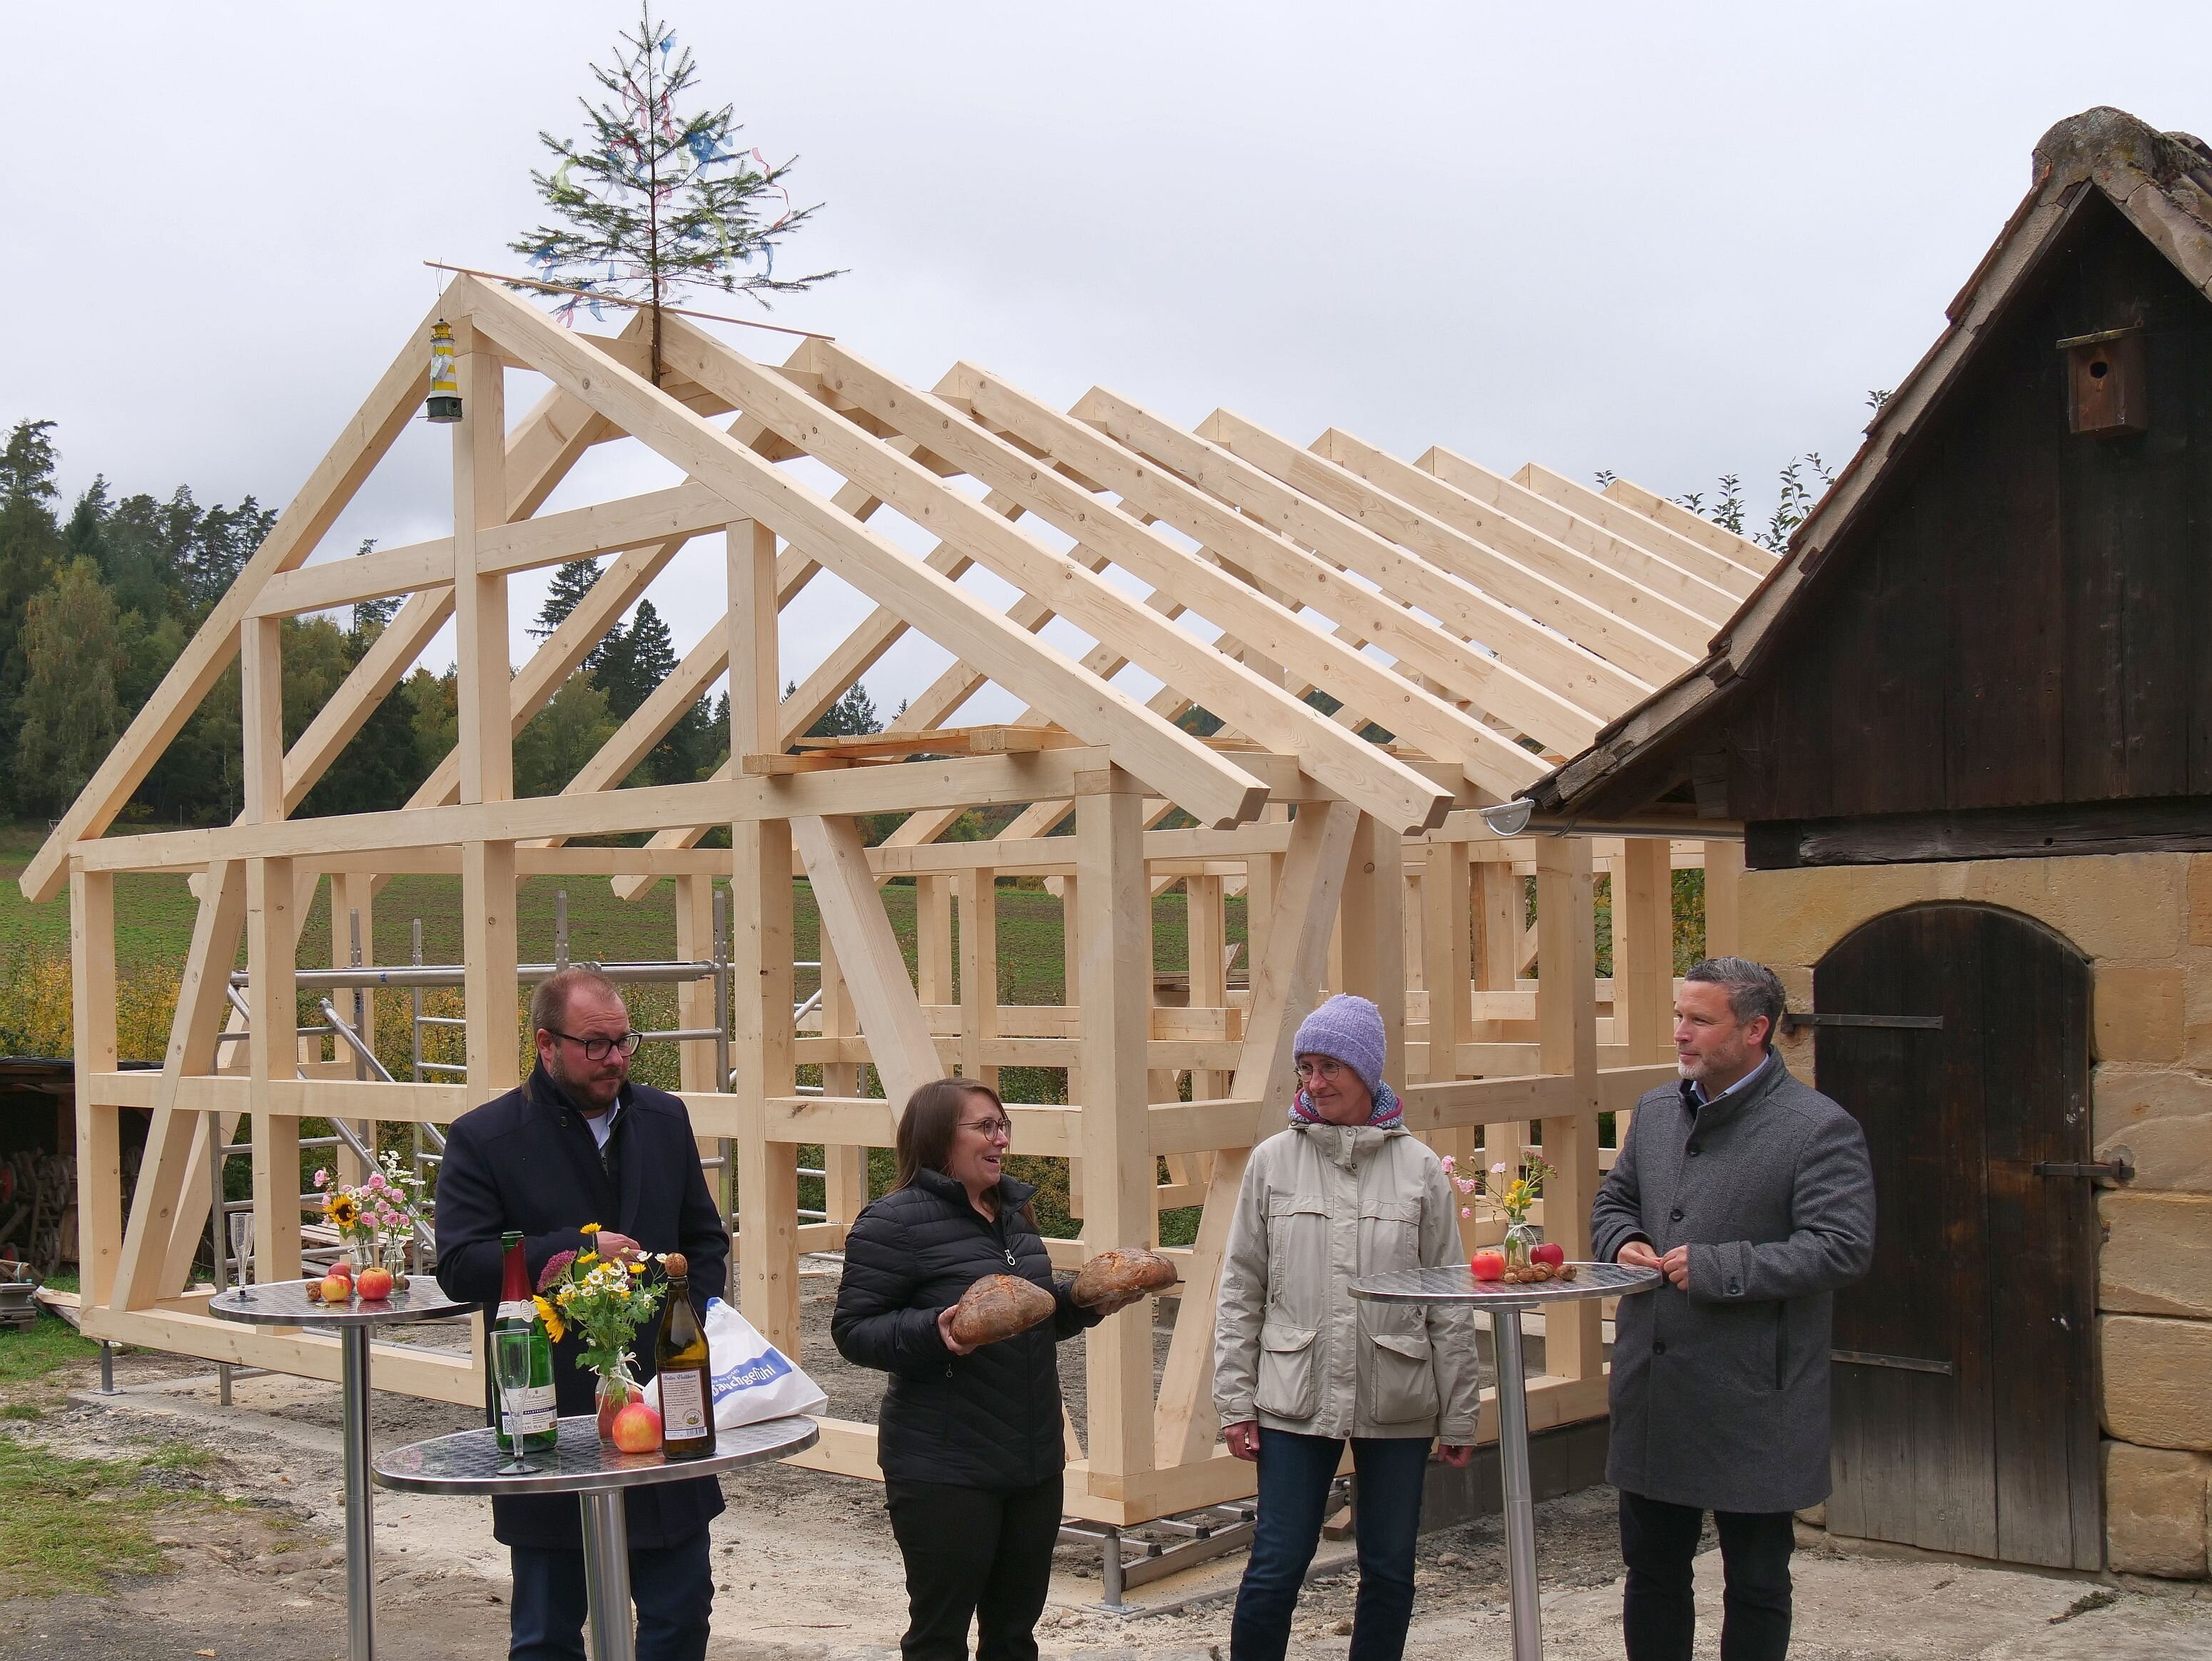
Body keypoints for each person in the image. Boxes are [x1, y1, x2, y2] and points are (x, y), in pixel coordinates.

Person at [435, 967, 730, 1661]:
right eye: (595, 1046)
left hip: (663, 1408)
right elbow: (459, 1266)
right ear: (545, 1044)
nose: (617, 1059)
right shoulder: (486, 1138)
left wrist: (690, 1327)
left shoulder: (664, 1119)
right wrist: (575, 1252)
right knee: (546, 1634)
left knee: (679, 1618)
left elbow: (704, 1244)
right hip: (546, 1413)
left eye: (624, 1041)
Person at [1591, 956, 1876, 1661]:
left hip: (1756, 1400)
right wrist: (1622, 1238)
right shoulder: (1656, 1110)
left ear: (1754, 1030)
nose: (1680, 1032)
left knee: (1754, 1582)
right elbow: (1614, 1200)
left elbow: (1842, 1249)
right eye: (1678, 1015)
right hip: (1657, 1392)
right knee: (1652, 1574)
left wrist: (1724, 1266)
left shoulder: (1818, 1128)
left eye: (1698, 1019)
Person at [831, 1077, 1146, 1661]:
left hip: (1031, 1463)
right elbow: (853, 1332)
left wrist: (1081, 1303)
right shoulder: (892, 1222)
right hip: (944, 1468)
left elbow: (1028, 1318)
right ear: (937, 1139)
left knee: (1012, 1635)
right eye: (985, 1127)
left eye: (1004, 1127)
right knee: (939, 1636)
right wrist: (937, 1331)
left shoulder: (1014, 1218)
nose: (1000, 1139)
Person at [1215, 993, 1480, 1661]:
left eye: (1330, 1065)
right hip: (1292, 1397)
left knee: (1389, 1569)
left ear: (1367, 1071)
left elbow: (1447, 1300)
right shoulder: (1272, 1162)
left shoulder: (1419, 1168)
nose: (1315, 1081)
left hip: (1397, 1398)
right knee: (1276, 1565)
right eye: (1306, 1066)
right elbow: (1241, 1289)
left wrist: (1460, 1417)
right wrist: (1233, 1402)